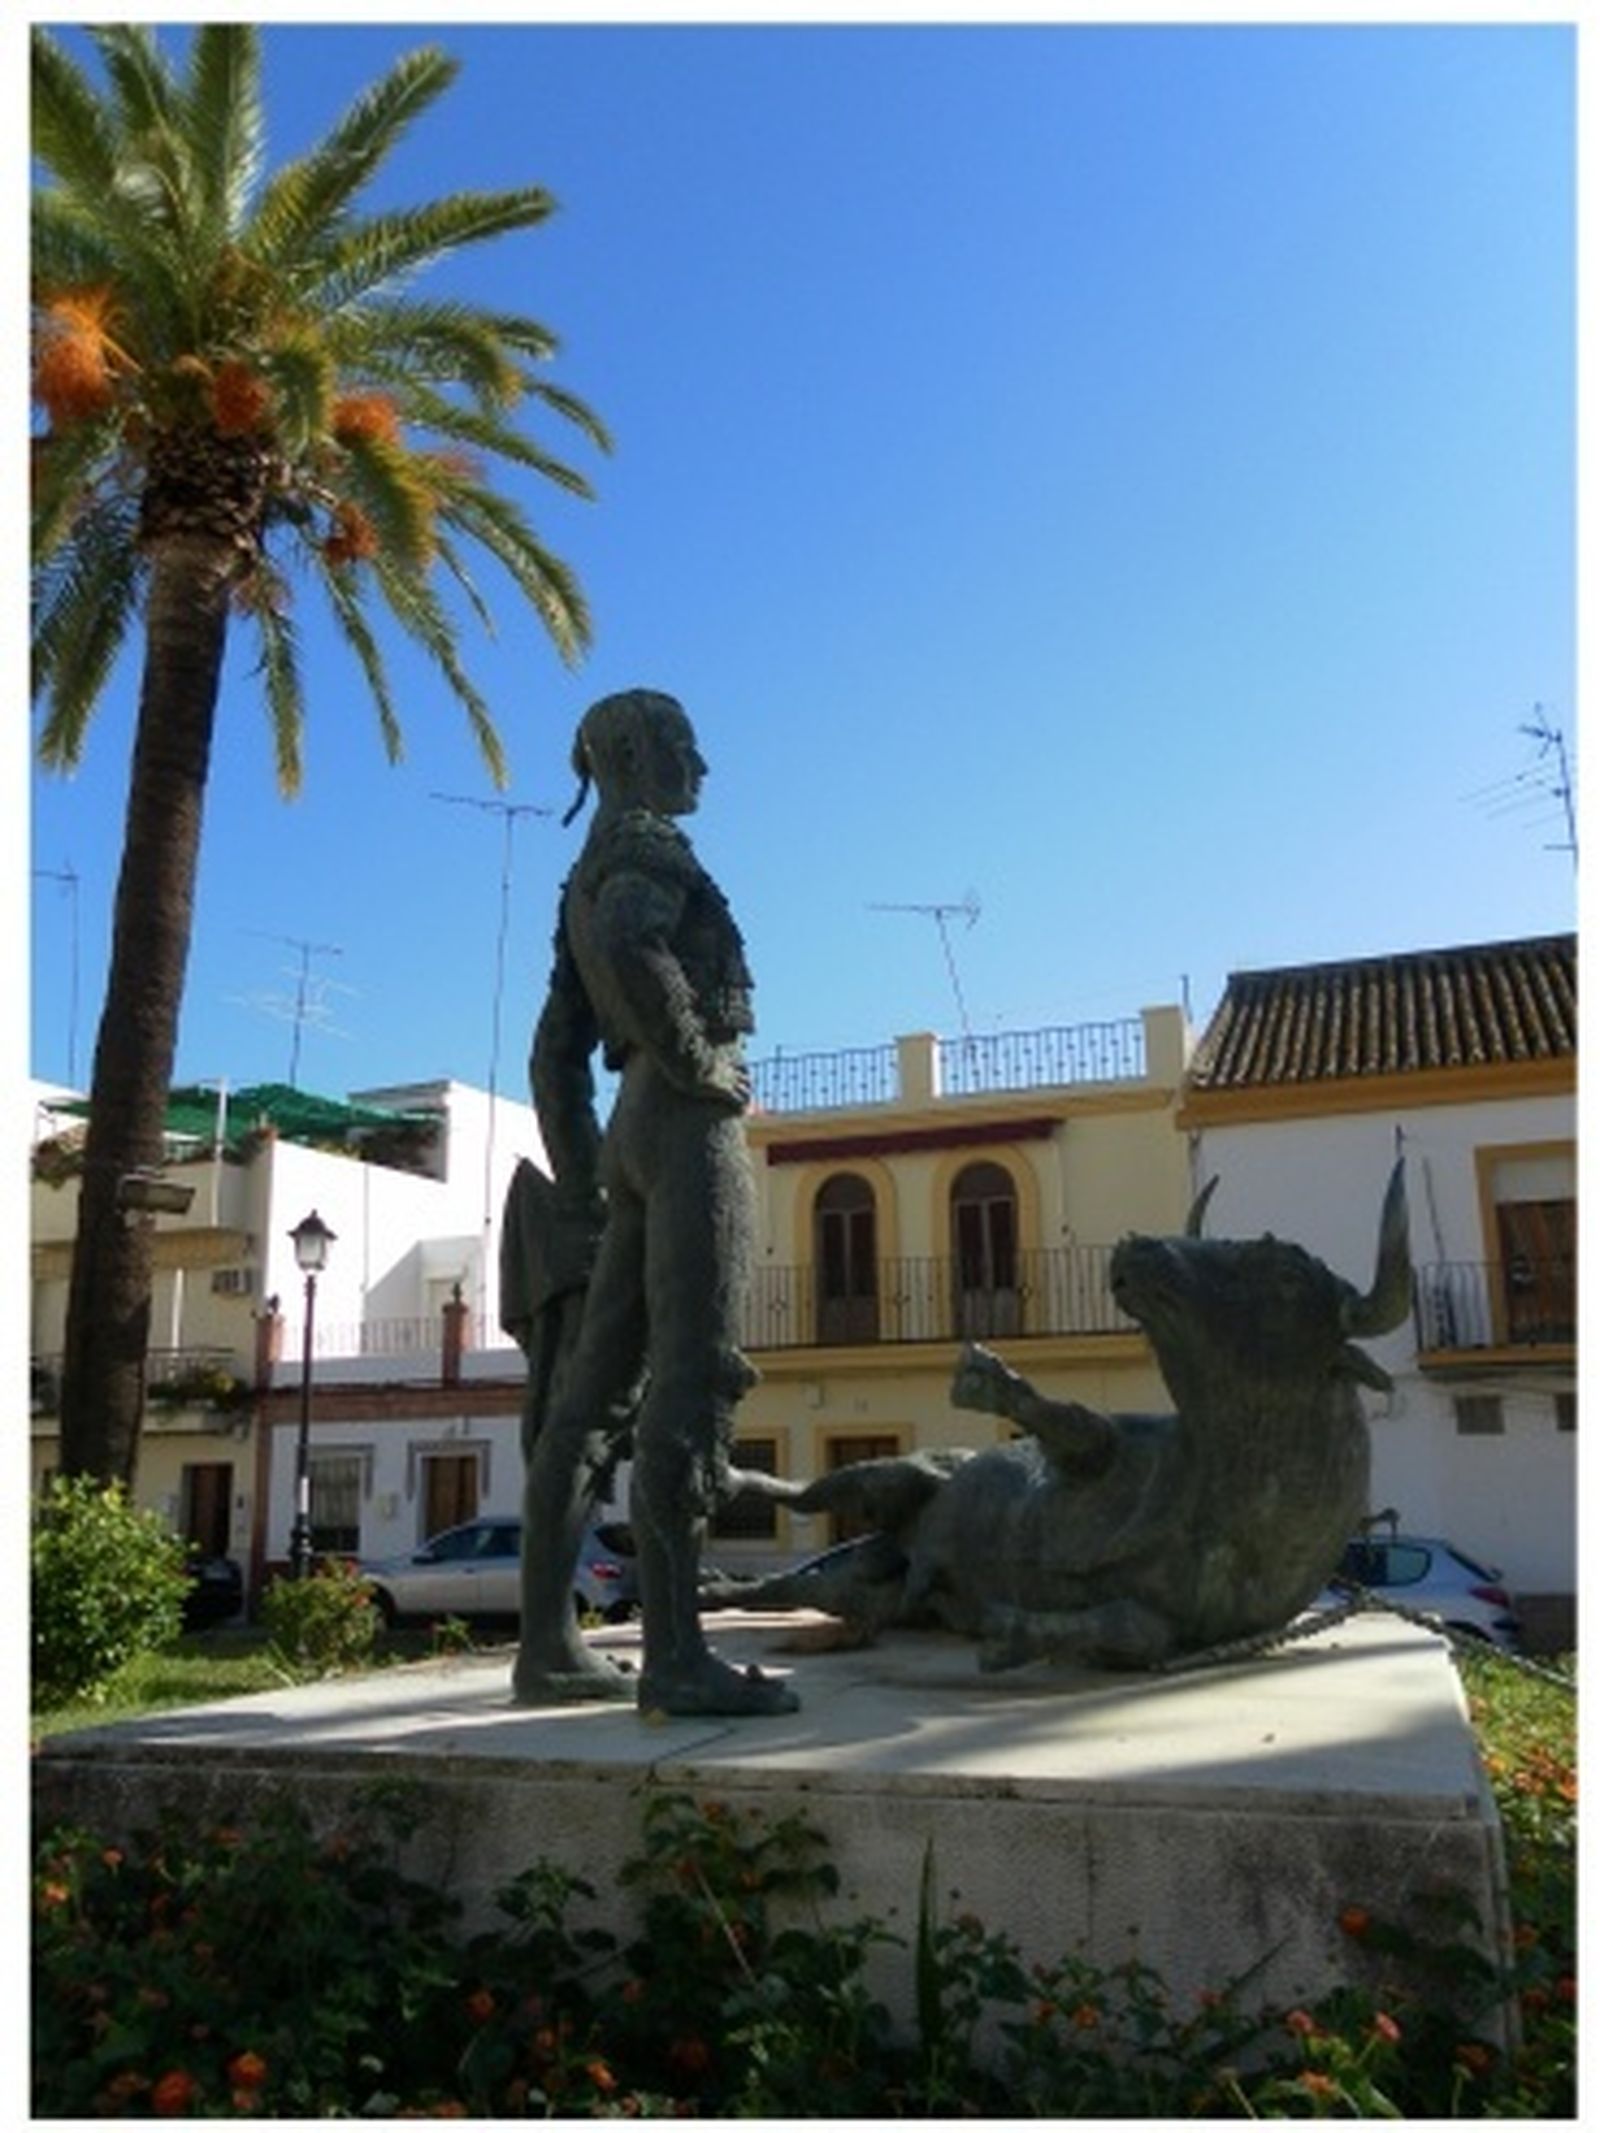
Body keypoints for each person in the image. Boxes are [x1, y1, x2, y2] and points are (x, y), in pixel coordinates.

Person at [511, 687, 798, 1716]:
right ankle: (677, 1657)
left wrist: (589, 1171)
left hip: (631, 1127)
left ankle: (546, 1649)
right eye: (683, 742)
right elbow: (638, 941)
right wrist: (690, 1057)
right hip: (683, 1122)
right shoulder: (641, 850)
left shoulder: (579, 874)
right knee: (696, 1375)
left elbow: (553, 1054)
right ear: (632, 752)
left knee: (589, 1405)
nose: (702, 766)